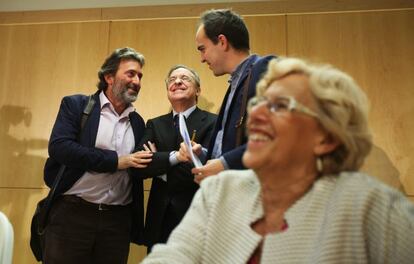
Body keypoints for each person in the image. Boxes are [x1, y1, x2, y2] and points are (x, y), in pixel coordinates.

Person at [141, 57, 414, 263]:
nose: (256, 114)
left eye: (280, 106)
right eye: (259, 103)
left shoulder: (372, 207)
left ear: (325, 138)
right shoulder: (219, 192)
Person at [42, 47, 152, 264]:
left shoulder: (138, 122)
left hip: (117, 222)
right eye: (130, 73)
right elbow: (60, 147)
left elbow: (137, 168)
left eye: (140, 76)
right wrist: (116, 161)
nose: (137, 81)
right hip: (72, 216)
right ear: (109, 77)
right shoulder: (76, 105)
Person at [129, 65, 216, 252]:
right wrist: (178, 157)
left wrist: (159, 166)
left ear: (198, 90)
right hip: (159, 221)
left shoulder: (214, 123)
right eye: (172, 79)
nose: (177, 82)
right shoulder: (155, 124)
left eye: (185, 78)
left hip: (197, 219)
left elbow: (210, 171)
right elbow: (137, 167)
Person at [188, 8, 276, 183]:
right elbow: (231, 146)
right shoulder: (236, 84)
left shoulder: (265, 69)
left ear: (222, 42)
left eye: (202, 49)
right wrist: (204, 154)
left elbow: (278, 137)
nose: (202, 58)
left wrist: (224, 164)